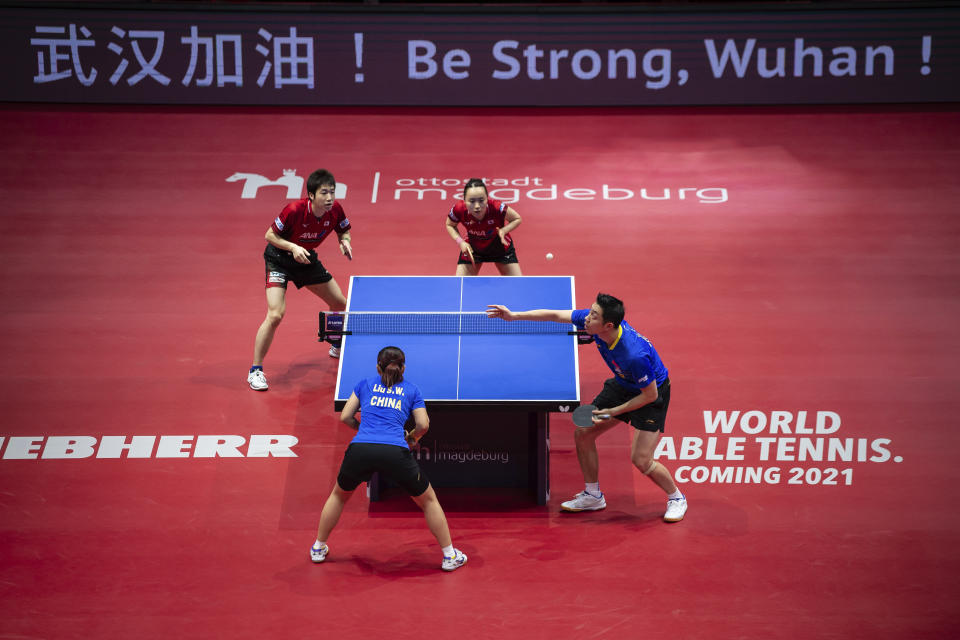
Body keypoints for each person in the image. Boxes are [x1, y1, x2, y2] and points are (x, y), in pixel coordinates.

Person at [486, 293, 687, 522]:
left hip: (652, 393)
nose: (587, 319)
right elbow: (554, 315)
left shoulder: (633, 355)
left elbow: (649, 395)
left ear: (608, 325)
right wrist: (514, 316)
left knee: (641, 460)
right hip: (623, 385)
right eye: (590, 312)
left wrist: (613, 412)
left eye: (593, 316)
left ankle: (677, 498)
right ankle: (593, 495)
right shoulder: (594, 324)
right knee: (583, 432)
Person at [309, 346, 468, 572]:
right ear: (403, 368)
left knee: (339, 495)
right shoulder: (411, 390)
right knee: (429, 501)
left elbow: (345, 416)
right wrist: (411, 438)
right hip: (395, 452)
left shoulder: (364, 384)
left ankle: (318, 547)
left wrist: (363, 431)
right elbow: (424, 425)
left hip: (360, 449)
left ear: (377, 367)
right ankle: (450, 555)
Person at [247, 169, 353, 391]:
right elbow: (269, 235)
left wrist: (344, 242)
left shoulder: (335, 210)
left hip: (305, 260)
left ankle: (335, 342)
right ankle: (255, 371)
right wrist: (293, 246)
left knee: (340, 303)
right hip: (279, 261)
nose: (330, 197)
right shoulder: (294, 210)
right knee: (276, 314)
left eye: (332, 192)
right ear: (311, 195)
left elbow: (344, 230)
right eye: (324, 192)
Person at [444, 178, 522, 275]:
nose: (477, 206)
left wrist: (503, 230)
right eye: (471, 201)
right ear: (464, 200)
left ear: (487, 198)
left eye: (481, 200)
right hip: (473, 249)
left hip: (500, 247)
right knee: (461, 284)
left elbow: (517, 218)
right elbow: (449, 225)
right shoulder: (459, 209)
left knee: (516, 285)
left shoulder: (497, 207)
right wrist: (460, 242)